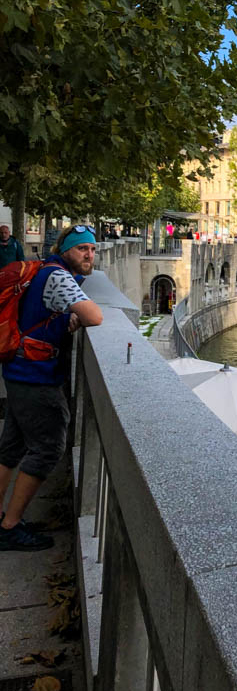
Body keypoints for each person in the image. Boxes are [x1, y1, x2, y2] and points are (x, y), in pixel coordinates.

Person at [0, 225, 103, 551]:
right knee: (47, 448)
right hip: (35, 376)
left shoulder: (46, 270)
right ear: (66, 250)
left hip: (18, 369)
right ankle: (10, 526)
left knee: (10, 449)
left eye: (92, 249)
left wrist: (65, 319)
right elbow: (95, 316)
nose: (89, 255)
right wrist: (74, 316)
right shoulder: (59, 277)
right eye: (81, 249)